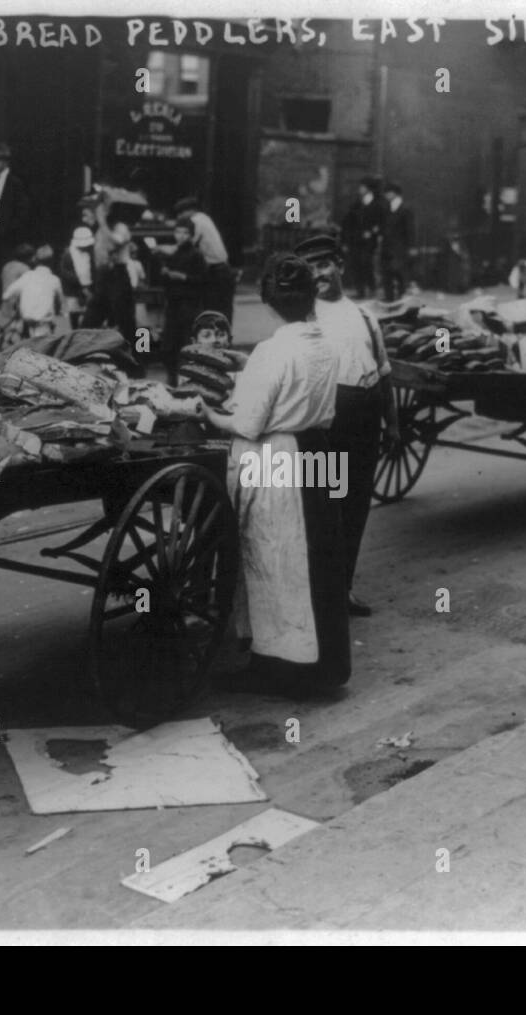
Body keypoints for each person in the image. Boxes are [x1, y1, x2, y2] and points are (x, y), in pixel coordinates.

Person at [204, 254, 351, 694]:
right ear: (311, 298)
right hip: (319, 453)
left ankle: (280, 667)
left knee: (275, 559)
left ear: (269, 304)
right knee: (320, 557)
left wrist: (208, 413)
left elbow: (248, 422)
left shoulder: (272, 351)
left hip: (280, 457)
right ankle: (325, 665)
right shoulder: (326, 344)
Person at [295, 233, 401, 618]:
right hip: (328, 425)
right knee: (326, 507)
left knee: (356, 505)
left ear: (339, 265)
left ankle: (343, 589)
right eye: (310, 268)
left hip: (366, 421)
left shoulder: (364, 316)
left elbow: (384, 372)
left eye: (324, 264)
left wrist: (392, 424)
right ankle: (317, 594)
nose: (318, 274)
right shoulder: (304, 318)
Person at [157, 216, 209, 385]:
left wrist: (183, 277)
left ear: (191, 235)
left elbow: (203, 280)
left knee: (187, 343)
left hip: (189, 305)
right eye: (178, 232)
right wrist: (165, 273)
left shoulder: (196, 255)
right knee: (169, 345)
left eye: (185, 233)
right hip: (173, 304)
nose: (181, 236)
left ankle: (188, 380)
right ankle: (172, 379)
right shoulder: (173, 253)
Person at [0, 143, 33, 306]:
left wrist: (12, 226)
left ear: (5, 162)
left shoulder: (15, 182)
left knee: (8, 263)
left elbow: (22, 208)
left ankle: (8, 297)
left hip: (10, 231)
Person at [174, 197, 234, 325]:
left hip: (216, 271)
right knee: (223, 311)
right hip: (223, 269)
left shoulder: (196, 221)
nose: (180, 217)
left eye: (181, 213)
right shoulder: (205, 218)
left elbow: (186, 245)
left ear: (190, 211)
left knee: (214, 311)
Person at [81, 223, 143, 345]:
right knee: (89, 321)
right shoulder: (99, 230)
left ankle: (140, 352)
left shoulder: (120, 228)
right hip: (102, 275)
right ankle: (81, 348)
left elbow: (114, 243)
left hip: (117, 274)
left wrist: (102, 222)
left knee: (127, 322)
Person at [1, 244, 64, 339]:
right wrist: (60, 310)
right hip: (43, 321)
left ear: (36, 260)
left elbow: (7, 294)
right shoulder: (54, 280)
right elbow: (60, 302)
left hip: (26, 317)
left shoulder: (25, 274)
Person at [340, 177, 384, 299]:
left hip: (370, 241)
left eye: (362, 187)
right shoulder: (356, 204)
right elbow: (347, 223)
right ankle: (360, 290)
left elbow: (382, 222)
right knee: (356, 264)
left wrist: (372, 232)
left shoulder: (378, 204)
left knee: (366, 263)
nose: (360, 189)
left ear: (369, 189)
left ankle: (372, 287)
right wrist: (345, 240)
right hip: (355, 240)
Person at [379, 182, 414, 302]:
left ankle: (401, 297)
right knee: (386, 273)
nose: (386, 195)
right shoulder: (387, 208)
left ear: (394, 193)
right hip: (387, 246)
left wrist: (411, 246)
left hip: (400, 246)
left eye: (388, 193)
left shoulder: (405, 209)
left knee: (400, 273)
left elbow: (410, 229)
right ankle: (389, 297)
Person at [59, 227, 95, 329]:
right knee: (74, 316)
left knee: (89, 317)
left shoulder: (90, 253)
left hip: (89, 290)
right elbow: (65, 273)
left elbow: (92, 270)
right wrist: (80, 284)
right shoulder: (68, 254)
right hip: (73, 292)